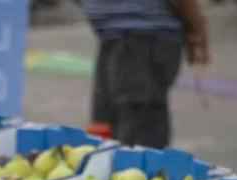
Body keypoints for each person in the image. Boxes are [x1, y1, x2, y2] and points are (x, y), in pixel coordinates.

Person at [85, 0, 211, 148]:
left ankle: (134, 166)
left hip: (144, 37)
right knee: (106, 122)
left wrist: (196, 31)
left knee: (139, 127)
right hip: (116, 35)